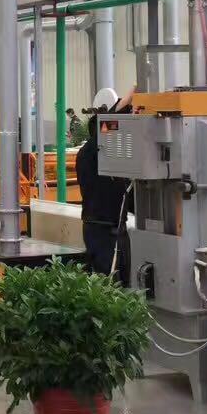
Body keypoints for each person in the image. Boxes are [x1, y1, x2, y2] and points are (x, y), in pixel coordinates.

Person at [75, 87, 133, 284]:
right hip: (103, 231)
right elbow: (110, 124)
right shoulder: (91, 150)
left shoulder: (105, 153)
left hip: (113, 229)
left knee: (119, 282)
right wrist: (136, 89)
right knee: (109, 285)